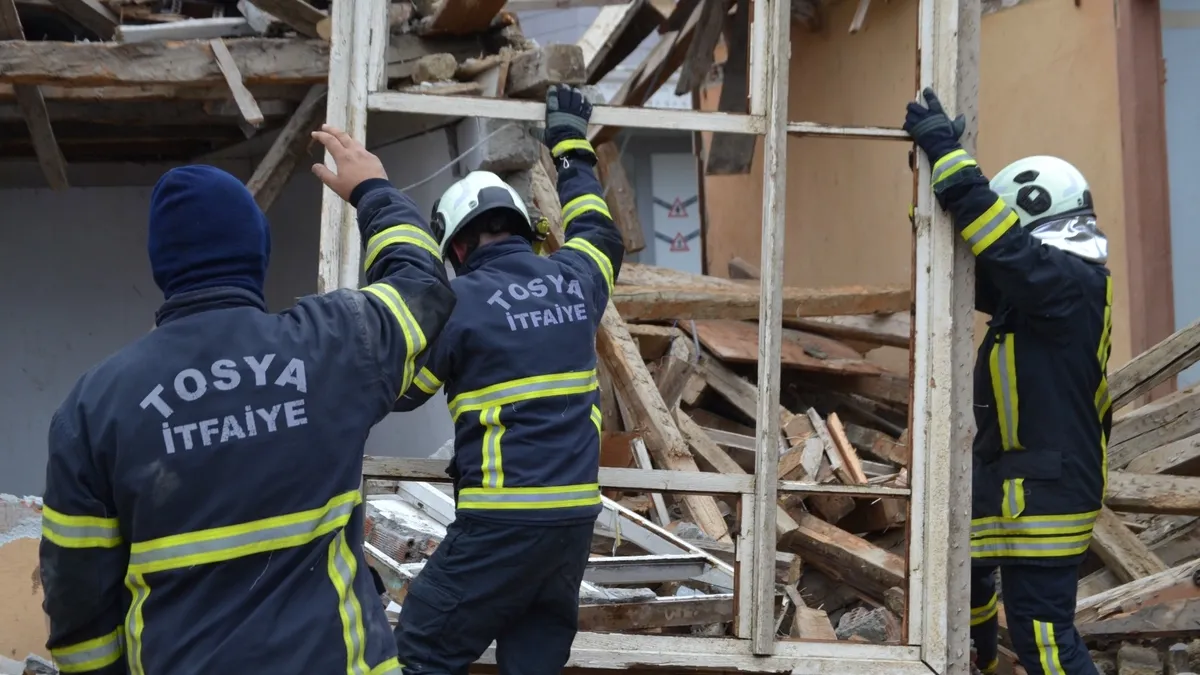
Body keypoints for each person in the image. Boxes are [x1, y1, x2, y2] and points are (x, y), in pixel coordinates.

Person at [38, 126, 455, 675]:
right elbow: (422, 285)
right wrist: (372, 190)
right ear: (257, 248)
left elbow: (78, 604)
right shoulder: (333, 344)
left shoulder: (93, 408)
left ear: (164, 267)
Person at [389, 84, 625, 674]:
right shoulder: (576, 278)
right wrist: (569, 139)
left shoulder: (455, 302)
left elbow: (401, 391)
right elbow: (599, 231)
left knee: (421, 647)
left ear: (459, 246)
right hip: (572, 521)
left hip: (503, 522)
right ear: (521, 227)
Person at [905, 89, 1110, 675]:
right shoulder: (1046, 290)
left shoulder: (1068, 281)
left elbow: (1001, 243)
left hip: (1044, 489)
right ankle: (984, 663)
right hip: (1018, 481)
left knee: (1044, 636)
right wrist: (932, 178)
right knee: (969, 581)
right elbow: (972, 257)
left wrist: (950, 153)